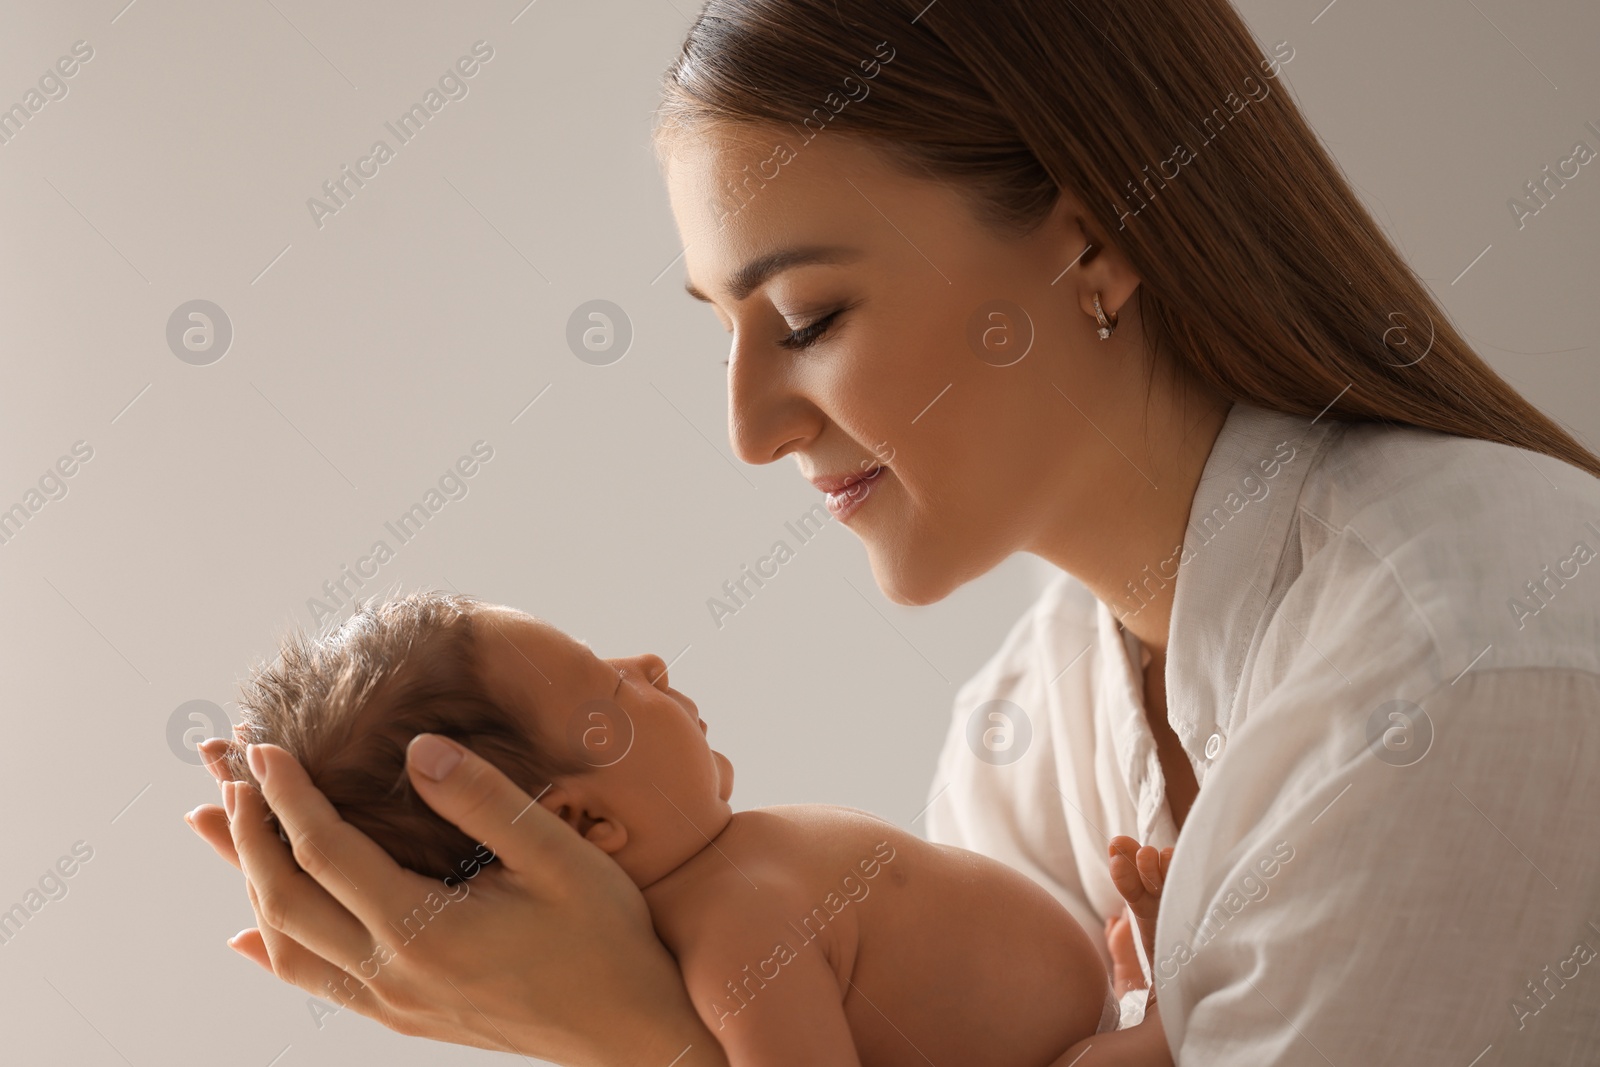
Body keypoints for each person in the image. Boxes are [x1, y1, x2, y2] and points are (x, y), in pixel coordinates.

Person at [187, 0, 1600, 1063]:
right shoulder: (1037, 714)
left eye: (807, 317)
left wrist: (651, 1039)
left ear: (1093, 240)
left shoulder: (1456, 670)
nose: (747, 426)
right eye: (723, 330)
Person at [215, 588, 1179, 1063]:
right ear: (585, 821)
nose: (649, 663)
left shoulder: (734, 889)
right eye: (609, 689)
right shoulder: (735, 928)